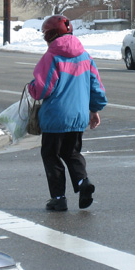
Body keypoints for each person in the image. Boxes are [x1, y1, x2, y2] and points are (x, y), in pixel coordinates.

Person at [28, 15, 107, 211]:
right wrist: (94, 110)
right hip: (78, 116)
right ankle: (82, 182)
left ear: (50, 35)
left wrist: (31, 88)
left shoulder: (52, 57)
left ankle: (58, 198)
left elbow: (42, 88)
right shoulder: (85, 56)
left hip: (56, 116)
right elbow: (96, 88)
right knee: (72, 152)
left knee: (51, 155)